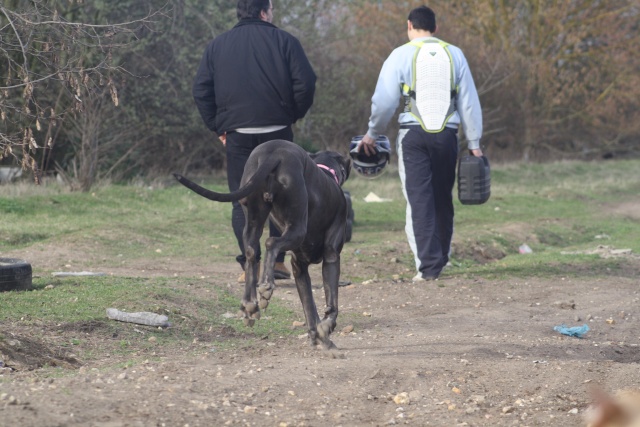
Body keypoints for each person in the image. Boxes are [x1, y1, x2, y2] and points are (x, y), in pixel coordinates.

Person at [192, 0, 316, 282]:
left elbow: (200, 90)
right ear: (264, 12)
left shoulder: (218, 45)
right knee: (284, 198)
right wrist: (292, 114)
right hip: (278, 132)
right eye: (271, 9)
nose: (273, 14)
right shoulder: (285, 41)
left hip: (238, 134)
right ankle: (279, 262)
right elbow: (306, 82)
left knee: (242, 201)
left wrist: (218, 127)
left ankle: (252, 264)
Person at [359, 5, 483, 282]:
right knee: (442, 198)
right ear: (435, 29)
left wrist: (373, 132)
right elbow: (469, 102)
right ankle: (442, 258)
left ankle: (427, 268)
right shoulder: (455, 54)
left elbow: (384, 101)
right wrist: (474, 141)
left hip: (413, 136)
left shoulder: (401, 54)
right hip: (447, 135)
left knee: (419, 200)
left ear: (409, 26)